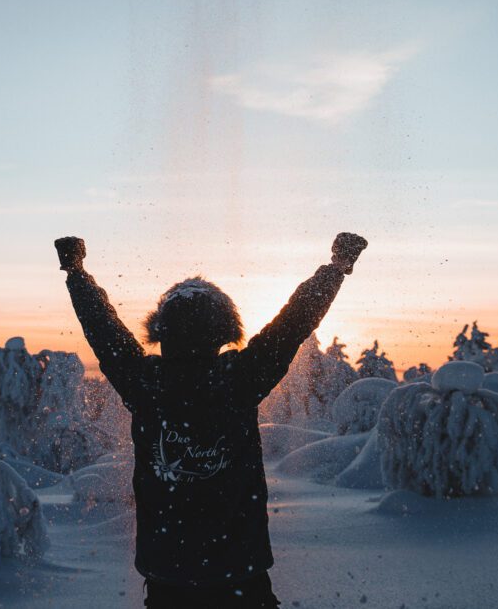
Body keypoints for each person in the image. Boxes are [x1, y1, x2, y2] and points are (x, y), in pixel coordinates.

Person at [55, 233, 367, 608]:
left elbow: (103, 329)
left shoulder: (144, 381)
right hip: (239, 573)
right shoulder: (240, 378)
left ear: (161, 331)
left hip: (168, 576)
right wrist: (336, 269)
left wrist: (76, 273)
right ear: (222, 332)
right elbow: (293, 323)